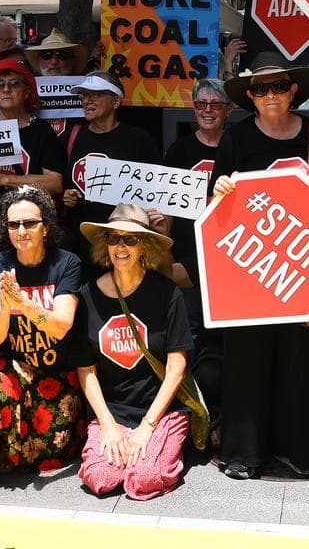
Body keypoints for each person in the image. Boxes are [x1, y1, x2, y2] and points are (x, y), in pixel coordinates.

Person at [210, 51, 309, 480]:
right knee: (247, 364)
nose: (270, 94)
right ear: (250, 96)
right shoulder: (235, 138)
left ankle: (299, 453)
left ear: (293, 90)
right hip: (250, 271)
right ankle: (243, 454)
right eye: (260, 88)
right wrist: (218, 189)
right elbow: (215, 206)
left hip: (300, 275)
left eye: (278, 86)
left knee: (300, 365)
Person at [73, 204, 192, 500]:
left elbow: (177, 366)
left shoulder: (167, 294)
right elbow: (86, 369)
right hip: (114, 412)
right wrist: (108, 425)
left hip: (161, 411)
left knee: (144, 479)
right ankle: (129, 452)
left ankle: (157, 449)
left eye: (131, 239)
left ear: (145, 245)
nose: (121, 247)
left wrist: (147, 428)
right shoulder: (87, 295)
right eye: (114, 238)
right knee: (100, 478)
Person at [0, 187, 85, 473]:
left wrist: (25, 305)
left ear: (46, 227)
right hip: (16, 365)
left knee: (53, 448)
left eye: (30, 223)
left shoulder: (67, 263)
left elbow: (61, 327)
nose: (21, 231)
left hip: (57, 369)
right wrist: (4, 304)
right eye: (14, 225)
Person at [0, 58, 64, 294]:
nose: (5, 89)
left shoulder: (41, 132)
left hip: (27, 243)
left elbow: (55, 183)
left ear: (26, 90)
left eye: (13, 84)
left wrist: (2, 179)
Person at [163, 79, 231, 403]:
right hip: (188, 260)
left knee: (226, 340)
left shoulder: (237, 147)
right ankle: (188, 409)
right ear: (193, 108)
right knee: (189, 335)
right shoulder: (180, 150)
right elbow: (167, 210)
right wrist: (166, 251)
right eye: (201, 104)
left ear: (228, 110)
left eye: (215, 104)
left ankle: (221, 410)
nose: (207, 110)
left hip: (231, 260)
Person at [61, 71, 161, 272]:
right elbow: (64, 183)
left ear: (116, 102)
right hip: (82, 249)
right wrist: (67, 196)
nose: (87, 101)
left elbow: (156, 190)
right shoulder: (72, 137)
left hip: (125, 247)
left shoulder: (139, 140)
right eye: (84, 96)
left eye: (95, 95)